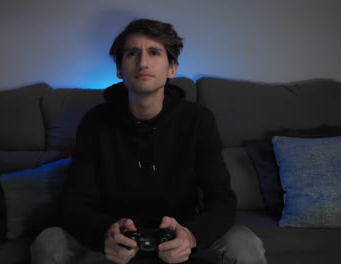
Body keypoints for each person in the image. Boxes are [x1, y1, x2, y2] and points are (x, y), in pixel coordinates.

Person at [30, 18, 267, 264]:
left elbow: (222, 199)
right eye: (133, 53)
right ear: (120, 69)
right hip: (117, 234)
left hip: (178, 231)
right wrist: (103, 233)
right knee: (49, 243)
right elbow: (73, 202)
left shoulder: (198, 120)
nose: (143, 62)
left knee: (245, 244)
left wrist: (192, 236)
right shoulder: (95, 122)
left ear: (172, 68)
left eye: (154, 52)